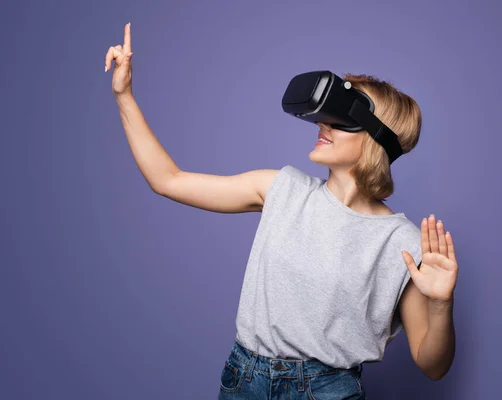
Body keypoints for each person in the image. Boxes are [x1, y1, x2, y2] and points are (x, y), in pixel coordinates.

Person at [105, 22, 458, 399]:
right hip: (244, 379)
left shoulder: (401, 242)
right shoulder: (282, 188)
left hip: (326, 390)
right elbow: (167, 179)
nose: (323, 123)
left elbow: (432, 364)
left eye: (342, 117)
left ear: (376, 137)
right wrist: (125, 95)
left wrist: (441, 304)